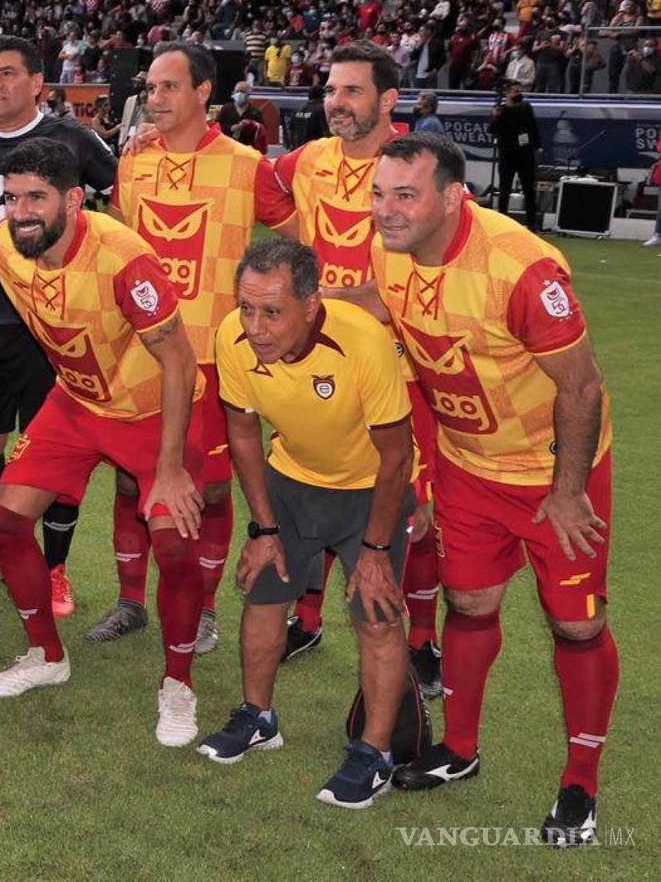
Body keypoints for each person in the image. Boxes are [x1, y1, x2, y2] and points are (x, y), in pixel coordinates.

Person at [340, 132, 618, 846]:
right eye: (378, 193)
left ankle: (580, 783)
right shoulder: (388, 247)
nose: (385, 210)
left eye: (405, 195)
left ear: (452, 196)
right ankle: (459, 749)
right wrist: (321, 304)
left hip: (554, 475)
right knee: (468, 603)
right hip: (469, 467)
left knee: (575, 623)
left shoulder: (520, 267)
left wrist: (565, 489)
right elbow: (385, 298)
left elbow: (581, 387)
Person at [0, 139, 207, 746]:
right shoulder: (8, 241)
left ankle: (179, 685)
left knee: (173, 545)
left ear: (74, 198)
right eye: (11, 199)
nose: (20, 211)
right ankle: (46, 655)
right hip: (78, 404)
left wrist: (167, 467)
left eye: (36, 197)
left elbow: (180, 361)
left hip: (147, 412)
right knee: (7, 519)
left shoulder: (123, 257)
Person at [197, 239, 415, 810]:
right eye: (247, 308)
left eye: (272, 312)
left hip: (370, 492)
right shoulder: (231, 338)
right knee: (265, 597)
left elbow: (397, 457)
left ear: (311, 305)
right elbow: (243, 434)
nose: (255, 326)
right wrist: (264, 530)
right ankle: (257, 716)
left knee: (376, 615)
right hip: (291, 483)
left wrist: (374, 549)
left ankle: (374, 753)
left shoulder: (363, 342)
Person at [103, 41, 297, 655]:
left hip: (215, 357)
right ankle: (131, 599)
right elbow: (115, 242)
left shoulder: (246, 165)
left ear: (203, 93)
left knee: (211, 488)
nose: (153, 99)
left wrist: (270, 312)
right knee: (134, 482)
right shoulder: (131, 162)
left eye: (167, 88)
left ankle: (207, 607)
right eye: (150, 89)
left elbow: (296, 243)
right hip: (143, 352)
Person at [268, 42, 445, 683]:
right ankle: (307, 621)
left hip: (399, 367)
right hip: (321, 365)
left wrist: (321, 303)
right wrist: (157, 136)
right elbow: (247, 178)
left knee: (412, 507)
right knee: (312, 495)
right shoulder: (309, 158)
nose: (337, 104)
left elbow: (421, 281)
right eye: (330, 91)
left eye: (352, 92)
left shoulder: (418, 170)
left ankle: (422, 639)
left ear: (388, 100)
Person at [0, 35, 115, 602]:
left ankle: (56, 569)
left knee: (56, 453)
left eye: (7, 73)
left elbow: (121, 196)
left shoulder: (72, 139)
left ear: (38, 82)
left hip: (51, 327)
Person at [489, 84, 542, 231]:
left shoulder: (525, 107)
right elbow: (492, 129)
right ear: (508, 93)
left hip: (525, 153)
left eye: (519, 91)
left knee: (528, 189)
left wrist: (538, 148)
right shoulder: (501, 109)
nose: (518, 93)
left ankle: (532, 223)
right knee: (504, 189)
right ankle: (502, 222)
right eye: (515, 91)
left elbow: (533, 127)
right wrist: (496, 116)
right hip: (507, 154)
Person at [216, 81, 269, 149]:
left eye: (242, 91)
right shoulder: (226, 109)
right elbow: (217, 127)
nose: (239, 94)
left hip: (248, 149)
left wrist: (251, 124)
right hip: (227, 147)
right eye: (237, 91)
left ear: (248, 94)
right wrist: (231, 128)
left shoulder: (255, 112)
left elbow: (263, 130)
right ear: (233, 93)